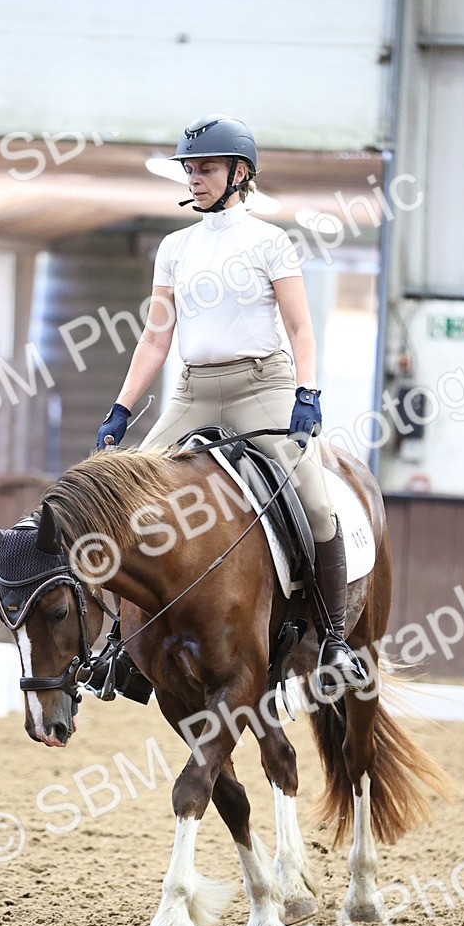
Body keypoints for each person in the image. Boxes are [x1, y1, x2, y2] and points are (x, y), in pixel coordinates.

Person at [95, 113, 367, 696]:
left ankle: (334, 640)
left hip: (261, 386)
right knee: (124, 502)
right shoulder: (174, 248)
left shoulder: (271, 242)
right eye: (190, 169)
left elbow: (301, 327)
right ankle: (120, 645)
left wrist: (307, 392)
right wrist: (122, 407)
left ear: (240, 173)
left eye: (207, 169)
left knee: (317, 504)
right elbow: (156, 338)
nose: (194, 178)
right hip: (192, 390)